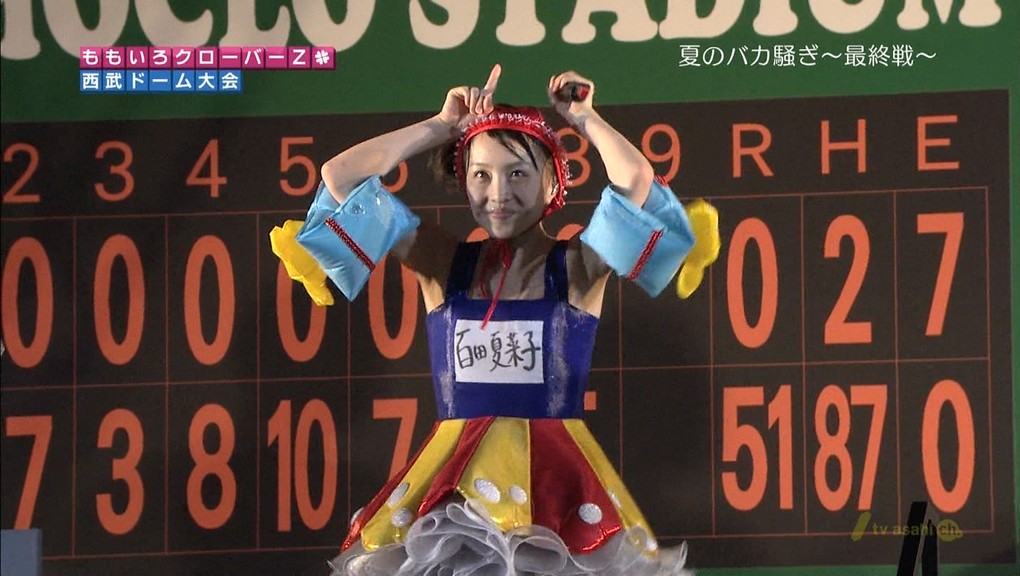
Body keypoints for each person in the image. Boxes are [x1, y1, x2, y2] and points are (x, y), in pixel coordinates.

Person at [273, 64, 700, 575]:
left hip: (558, 495)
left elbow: (636, 182)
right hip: (453, 504)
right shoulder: (440, 261)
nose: (498, 193)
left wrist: (584, 118)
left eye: (517, 173)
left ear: (553, 182)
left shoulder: (579, 266)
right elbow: (340, 176)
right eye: (481, 174)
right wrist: (440, 126)